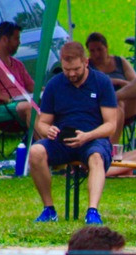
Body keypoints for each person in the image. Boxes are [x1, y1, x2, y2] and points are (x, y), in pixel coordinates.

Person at [28, 41, 118, 225]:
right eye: (66, 69)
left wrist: (88, 135)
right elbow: (42, 122)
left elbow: (111, 125)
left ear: (86, 62)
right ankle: (49, 209)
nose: (71, 74)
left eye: (76, 69)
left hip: (93, 139)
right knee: (35, 151)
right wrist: (48, 130)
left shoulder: (101, 82)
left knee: (96, 157)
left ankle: (93, 212)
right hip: (63, 140)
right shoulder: (54, 85)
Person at [86, 32, 136, 145]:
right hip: (100, 107)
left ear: (106, 48)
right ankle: (112, 148)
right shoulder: (87, 66)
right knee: (117, 107)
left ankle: (114, 97)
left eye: (99, 49)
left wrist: (119, 82)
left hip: (127, 102)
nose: (96, 54)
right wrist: (111, 82)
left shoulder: (119, 61)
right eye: (92, 51)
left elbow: (134, 83)